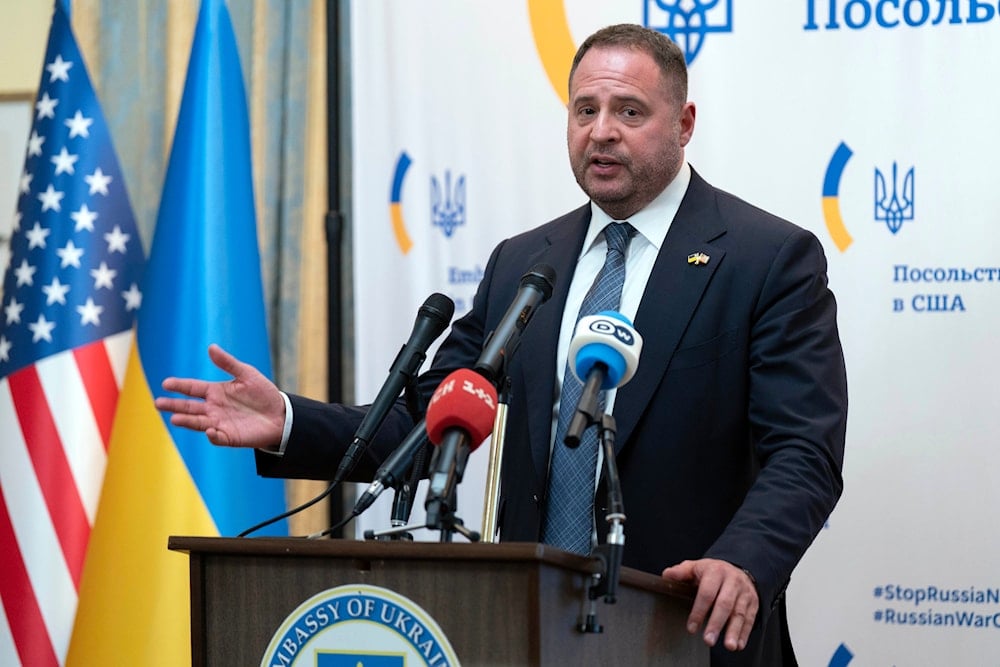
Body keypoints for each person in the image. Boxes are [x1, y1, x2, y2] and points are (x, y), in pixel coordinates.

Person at [155, 23, 847, 666]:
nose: (601, 132)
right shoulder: (525, 263)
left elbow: (805, 451)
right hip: (528, 626)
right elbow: (428, 422)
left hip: (684, 629)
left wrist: (744, 561)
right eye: (584, 111)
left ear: (684, 123)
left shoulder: (766, 259)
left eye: (629, 112)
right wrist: (289, 420)